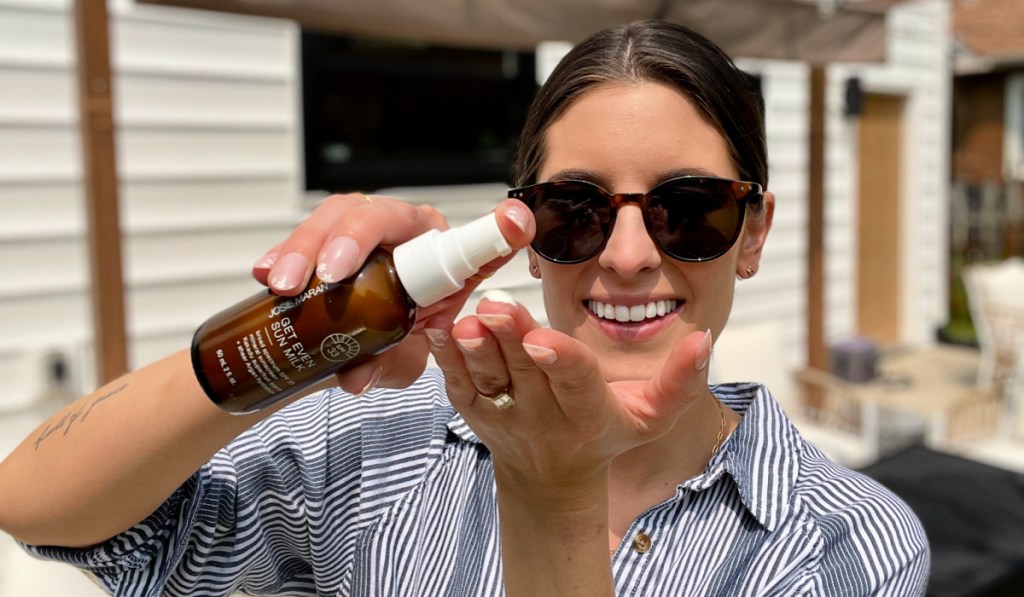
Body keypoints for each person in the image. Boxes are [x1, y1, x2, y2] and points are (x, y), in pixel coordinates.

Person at [0, 20, 928, 596]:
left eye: (691, 209)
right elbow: (38, 507)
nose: (631, 254)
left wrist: (551, 497)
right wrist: (307, 330)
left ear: (754, 231)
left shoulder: (845, 544)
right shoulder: (377, 446)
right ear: (522, 230)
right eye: (578, 211)